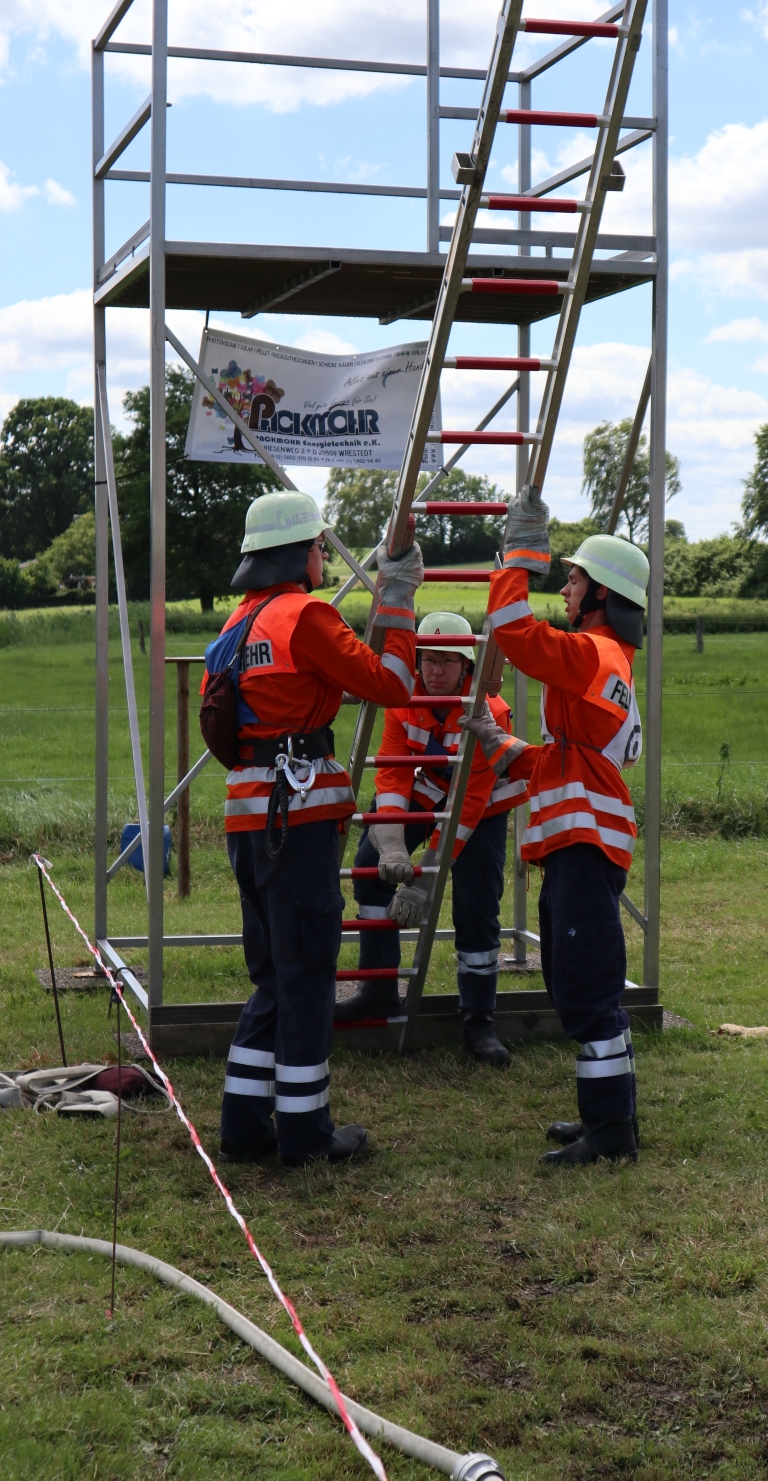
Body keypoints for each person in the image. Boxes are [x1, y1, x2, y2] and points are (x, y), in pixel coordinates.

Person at [204, 491, 423, 1167]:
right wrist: (399, 598)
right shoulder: (306, 615)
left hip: (249, 813)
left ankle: (245, 1126)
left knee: (274, 975)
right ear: (300, 553)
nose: (324, 556)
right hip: (296, 822)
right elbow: (392, 683)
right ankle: (306, 1133)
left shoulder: (238, 624)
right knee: (305, 976)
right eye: (320, 546)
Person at [465, 488, 648, 1165]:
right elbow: (565, 761)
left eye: (573, 579)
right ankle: (608, 1118)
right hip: (585, 841)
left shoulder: (593, 653)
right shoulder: (607, 660)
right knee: (580, 980)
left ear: (601, 594)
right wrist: (501, 746)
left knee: (588, 987)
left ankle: (611, 1135)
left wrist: (520, 555)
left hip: (584, 843)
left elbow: (514, 631)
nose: (564, 589)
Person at [341, 612, 527, 1067]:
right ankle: (378, 988)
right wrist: (390, 841)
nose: (436, 670)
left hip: (482, 807)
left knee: (476, 904)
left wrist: (424, 879)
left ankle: (478, 1020)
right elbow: (392, 772)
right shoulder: (401, 698)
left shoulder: (489, 711)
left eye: (447, 661)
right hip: (428, 786)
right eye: (428, 660)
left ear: (467, 668)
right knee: (369, 869)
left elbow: (467, 806)